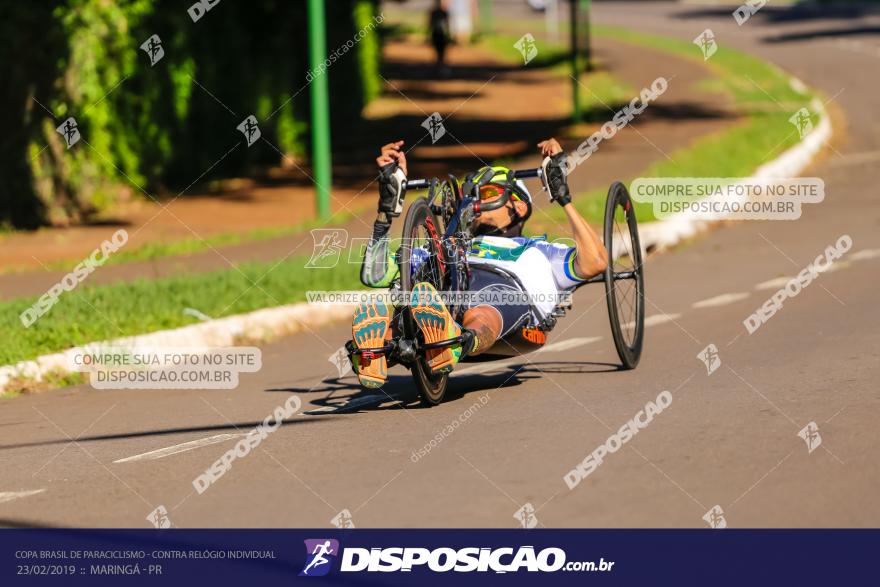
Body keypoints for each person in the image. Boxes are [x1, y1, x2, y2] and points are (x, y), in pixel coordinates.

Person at [351, 139, 608, 389]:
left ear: (518, 206)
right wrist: (386, 208)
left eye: (486, 193)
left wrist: (563, 195)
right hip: (446, 282)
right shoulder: (442, 249)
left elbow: (595, 261)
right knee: (412, 301)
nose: (473, 202)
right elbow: (377, 275)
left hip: (506, 288)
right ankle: (377, 348)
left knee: (484, 308)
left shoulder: (539, 250)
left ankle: (451, 341)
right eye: (467, 196)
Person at [428, 0, 450, 71]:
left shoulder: (443, 13)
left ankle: (440, 65)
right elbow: (430, 24)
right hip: (437, 34)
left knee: (441, 51)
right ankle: (438, 65)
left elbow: (447, 25)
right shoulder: (435, 13)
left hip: (441, 34)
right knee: (438, 51)